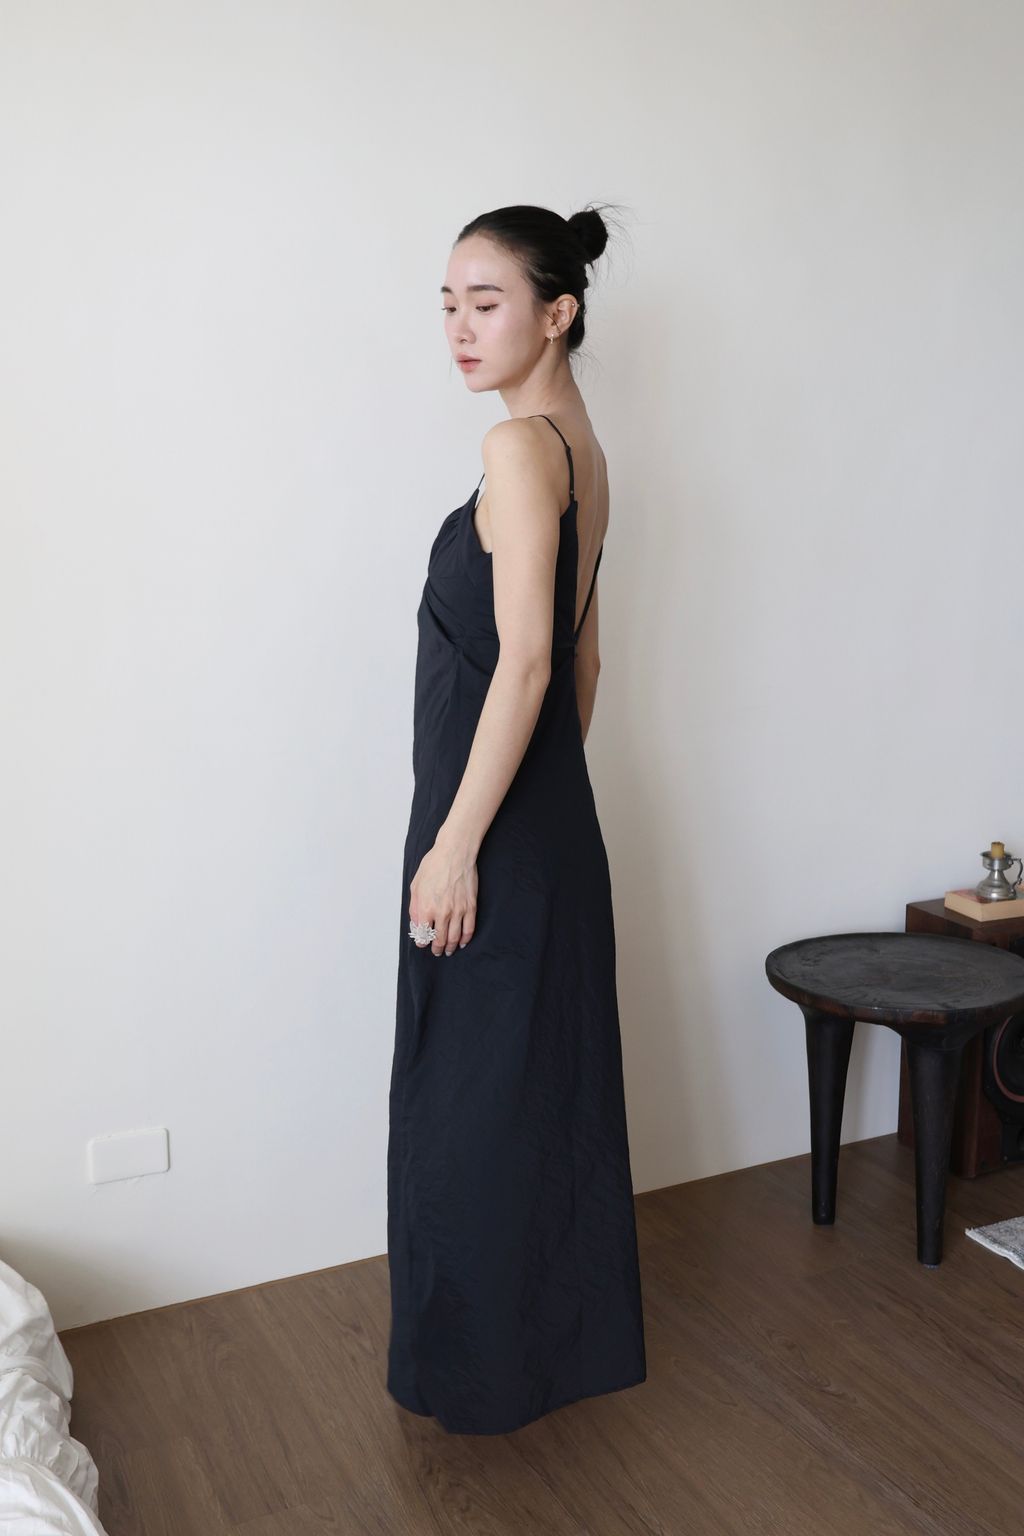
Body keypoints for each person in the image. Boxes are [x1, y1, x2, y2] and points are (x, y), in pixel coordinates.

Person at [386, 203, 646, 1435]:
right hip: (536, 822)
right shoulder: (584, 451)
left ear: (558, 312)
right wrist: (534, 808)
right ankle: (538, 1358)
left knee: (469, 1107)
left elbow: (535, 662)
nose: (459, 326)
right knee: (523, 1095)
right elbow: (586, 664)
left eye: (485, 302)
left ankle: (478, 1379)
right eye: (447, 303)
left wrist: (458, 844)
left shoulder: (517, 450)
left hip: (484, 831)